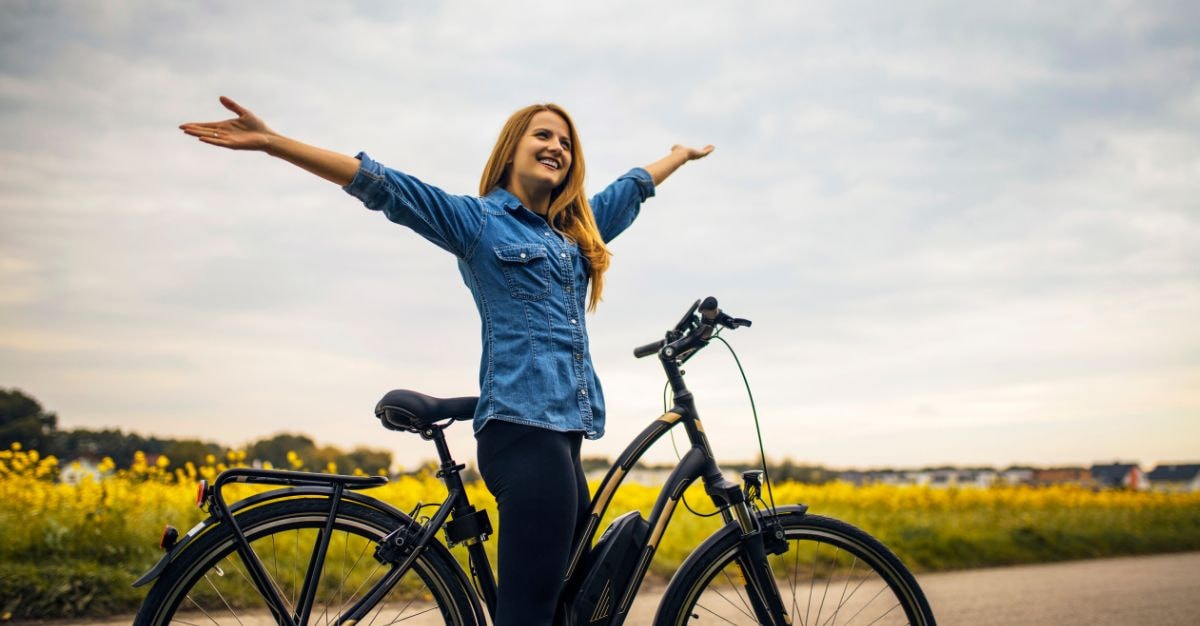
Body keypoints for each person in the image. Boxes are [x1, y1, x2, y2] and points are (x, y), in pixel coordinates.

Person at [179, 96, 712, 625]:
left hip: (564, 439)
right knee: (528, 616)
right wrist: (273, 143)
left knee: (557, 612)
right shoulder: (478, 222)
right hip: (524, 435)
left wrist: (678, 155)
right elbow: (384, 186)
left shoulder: (575, 236)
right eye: (543, 136)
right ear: (510, 151)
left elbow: (631, 188)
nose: (557, 147)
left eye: (566, 143)